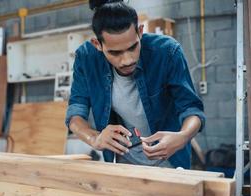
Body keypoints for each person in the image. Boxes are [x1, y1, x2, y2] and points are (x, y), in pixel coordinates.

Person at [65, 0, 205, 169]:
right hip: (124, 163)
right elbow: (75, 114)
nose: (127, 60)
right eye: (115, 53)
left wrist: (182, 137)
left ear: (140, 32)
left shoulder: (167, 52)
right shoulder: (86, 59)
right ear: (98, 45)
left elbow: (192, 109)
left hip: (172, 160)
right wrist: (94, 138)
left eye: (132, 48)